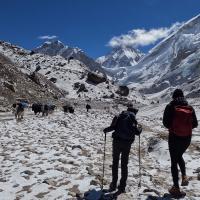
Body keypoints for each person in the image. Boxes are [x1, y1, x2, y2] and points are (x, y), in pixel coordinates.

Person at [163, 89, 198, 197]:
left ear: (173, 97)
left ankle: (176, 188)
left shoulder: (170, 106)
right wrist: (185, 128)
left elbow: (165, 123)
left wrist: (174, 128)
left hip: (174, 137)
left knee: (174, 161)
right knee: (179, 156)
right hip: (186, 139)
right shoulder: (190, 108)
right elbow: (195, 124)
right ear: (183, 96)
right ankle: (184, 176)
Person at [103, 106, 142, 194]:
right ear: (134, 112)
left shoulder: (119, 116)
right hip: (127, 144)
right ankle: (122, 187)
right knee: (124, 164)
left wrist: (106, 130)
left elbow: (112, 127)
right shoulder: (133, 118)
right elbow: (137, 132)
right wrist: (140, 128)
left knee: (115, 162)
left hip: (116, 142)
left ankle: (113, 184)